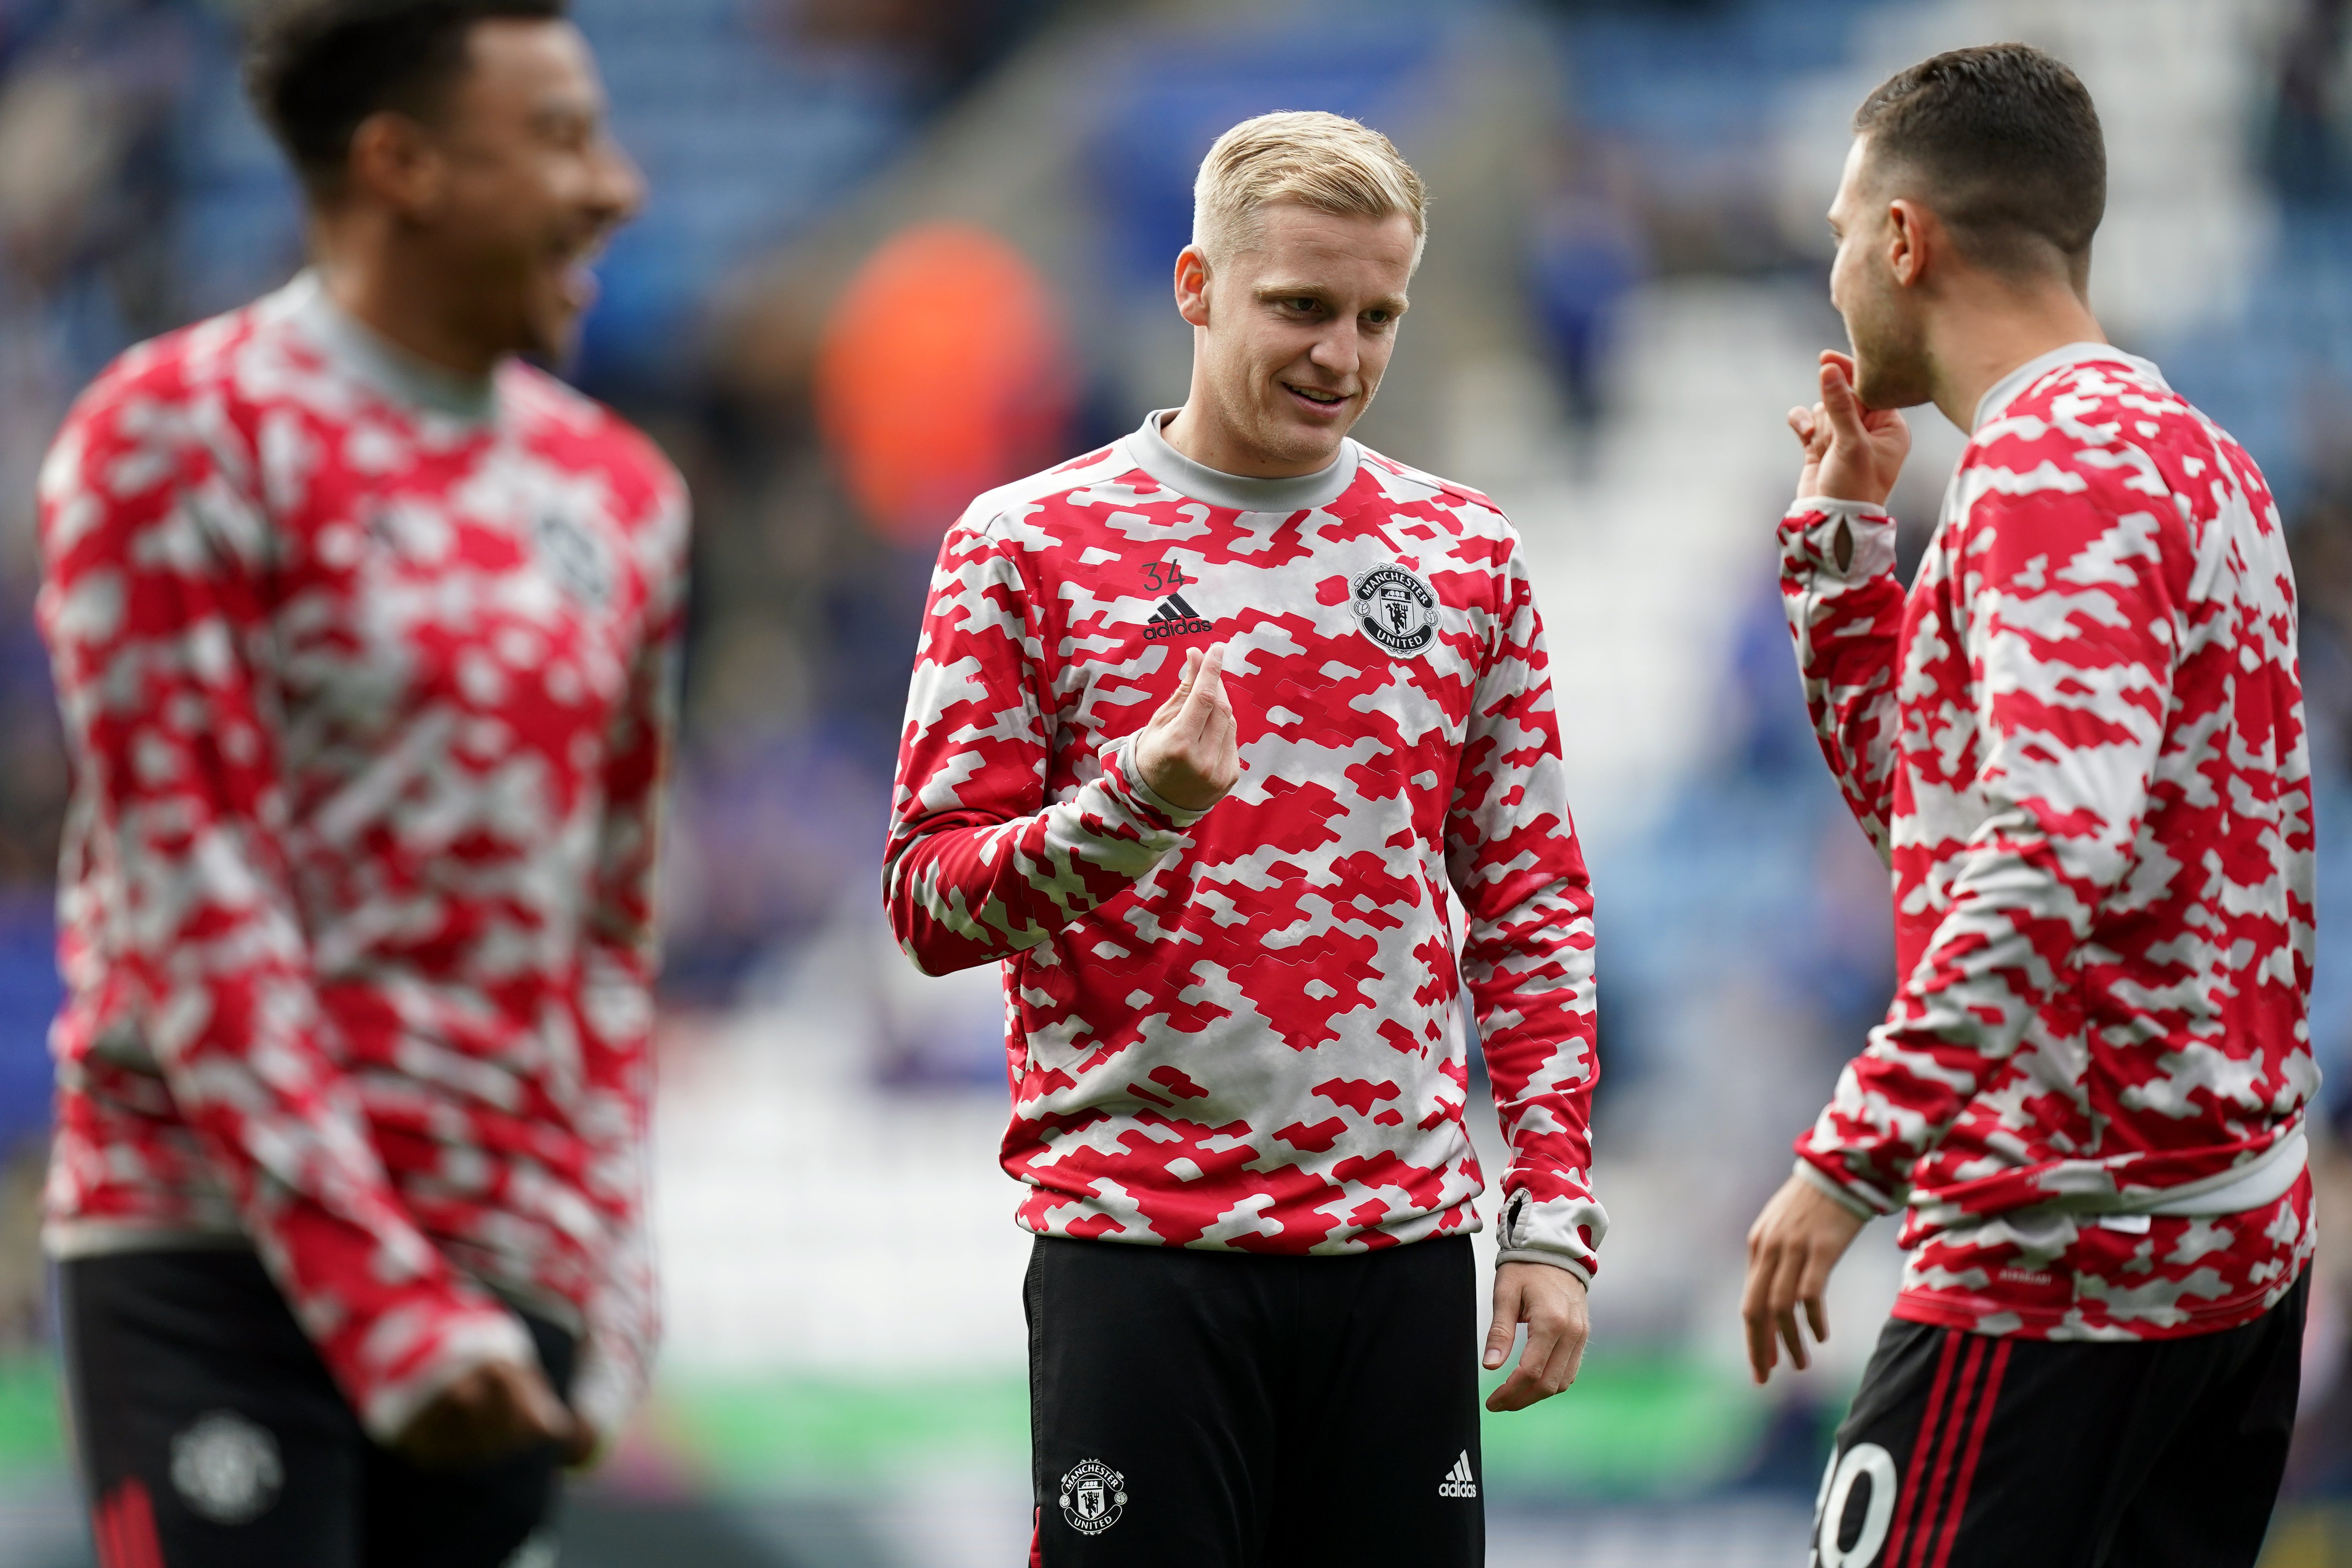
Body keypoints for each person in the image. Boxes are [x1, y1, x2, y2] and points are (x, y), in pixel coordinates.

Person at [885, 110, 1605, 1566]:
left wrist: (1548, 1222)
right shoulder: (1026, 544)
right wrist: (1132, 813)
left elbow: (1530, 907)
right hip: (1141, 1257)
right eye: (1299, 307)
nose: (1341, 355)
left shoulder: (1463, 556)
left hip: (1398, 1261)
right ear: (1196, 287)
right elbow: (926, 904)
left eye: (1376, 315)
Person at [38, 2, 682, 1564]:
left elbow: (606, 924)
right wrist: (383, 1307)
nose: (617, 187)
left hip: (499, 1279)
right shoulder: (183, 431)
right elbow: (196, 887)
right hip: (214, 1257)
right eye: (559, 138)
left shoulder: (622, 495)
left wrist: (603, 1274)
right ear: (402, 166)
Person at [1740, 44, 2312, 1568]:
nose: (1839, 278)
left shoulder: (2049, 480)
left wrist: (1847, 1156)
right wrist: (1850, 551)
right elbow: (1949, 833)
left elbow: (2051, 850)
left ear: (1908, 239)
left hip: (2060, 1246)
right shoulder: (2203, 457)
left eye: (1844, 238)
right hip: (2223, 1242)